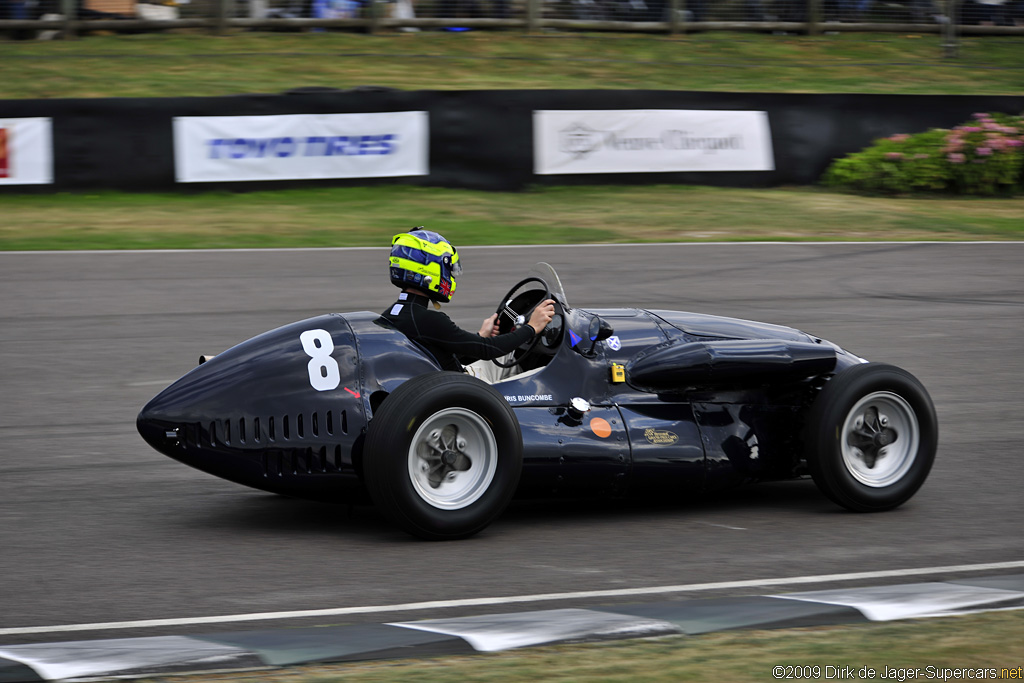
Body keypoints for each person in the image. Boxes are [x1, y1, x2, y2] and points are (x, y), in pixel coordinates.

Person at [382, 228, 555, 381]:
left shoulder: (390, 315)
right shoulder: (429, 320)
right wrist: (532, 327)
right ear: (429, 270)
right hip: (465, 391)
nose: (450, 276)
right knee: (546, 372)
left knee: (510, 357)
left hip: (441, 383)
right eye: (448, 269)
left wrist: (481, 335)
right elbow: (490, 350)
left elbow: (440, 351)